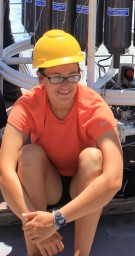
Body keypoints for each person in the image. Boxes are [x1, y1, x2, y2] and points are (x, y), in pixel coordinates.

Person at [0, 29, 123, 256]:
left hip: (83, 188)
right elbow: (4, 172)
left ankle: (80, 253)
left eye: (72, 76)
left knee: (93, 158)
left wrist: (56, 220)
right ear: (40, 78)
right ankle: (36, 250)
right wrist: (37, 228)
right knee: (28, 155)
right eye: (56, 77)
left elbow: (114, 179)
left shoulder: (95, 108)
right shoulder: (27, 106)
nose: (65, 84)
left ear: (79, 73)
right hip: (49, 187)